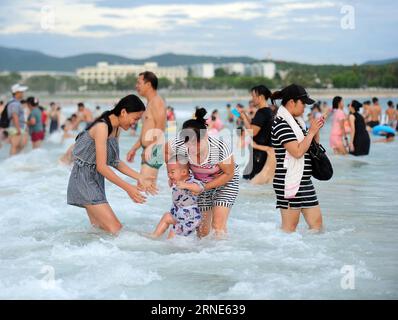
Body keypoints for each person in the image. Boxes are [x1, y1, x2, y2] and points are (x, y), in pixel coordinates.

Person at [67, 95, 157, 234]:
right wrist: (128, 188)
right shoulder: (102, 127)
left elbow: (114, 161)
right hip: (83, 179)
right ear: (123, 112)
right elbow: (101, 166)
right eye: (135, 119)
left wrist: (140, 177)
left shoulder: (116, 128)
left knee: (99, 230)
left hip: (95, 179)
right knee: (116, 229)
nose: (135, 123)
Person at [166, 108, 239, 238]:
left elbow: (229, 174)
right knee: (202, 231)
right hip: (200, 184)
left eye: (196, 143)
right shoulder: (180, 144)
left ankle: (224, 254)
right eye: (189, 144)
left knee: (217, 226)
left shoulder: (218, 148)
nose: (192, 148)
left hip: (226, 183)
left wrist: (203, 187)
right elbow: (165, 151)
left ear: (205, 135)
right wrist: (171, 173)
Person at [270, 84, 325, 233]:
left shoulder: (298, 123)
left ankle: (310, 256)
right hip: (288, 181)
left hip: (304, 180)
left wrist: (315, 131)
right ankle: (283, 255)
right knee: (289, 229)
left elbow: (311, 148)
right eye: (303, 103)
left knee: (317, 227)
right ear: (291, 102)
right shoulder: (281, 124)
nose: (305, 108)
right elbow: (298, 151)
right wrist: (311, 131)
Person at [126, 71, 167, 185]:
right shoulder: (149, 103)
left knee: (144, 187)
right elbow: (146, 132)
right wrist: (134, 148)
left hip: (154, 150)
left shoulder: (157, 102)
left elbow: (160, 128)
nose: (136, 86)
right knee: (145, 188)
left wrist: (151, 146)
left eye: (139, 83)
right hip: (148, 149)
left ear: (148, 84)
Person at [151, 158, 203, 239]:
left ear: (184, 172)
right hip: (178, 215)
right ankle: (154, 237)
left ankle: (169, 245)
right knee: (167, 216)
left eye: (172, 172)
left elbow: (199, 188)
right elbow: (175, 179)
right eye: (168, 172)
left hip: (190, 220)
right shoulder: (178, 180)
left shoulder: (191, 181)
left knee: (174, 231)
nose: (169, 175)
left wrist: (186, 186)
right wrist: (172, 179)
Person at [240, 85, 274, 181]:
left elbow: (253, 132)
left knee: (250, 180)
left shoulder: (261, 113)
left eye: (253, 96)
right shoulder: (269, 112)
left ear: (261, 97)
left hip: (259, 154)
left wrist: (243, 118)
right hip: (264, 153)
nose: (252, 99)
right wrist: (245, 116)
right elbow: (255, 126)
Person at [6, 84, 29, 156]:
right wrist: (18, 129)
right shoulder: (15, 103)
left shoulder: (15, 102)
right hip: (15, 128)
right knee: (15, 146)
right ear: (16, 93)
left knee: (18, 146)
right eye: (21, 92)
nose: (23, 93)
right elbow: (14, 116)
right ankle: (11, 162)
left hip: (16, 127)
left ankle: (14, 162)